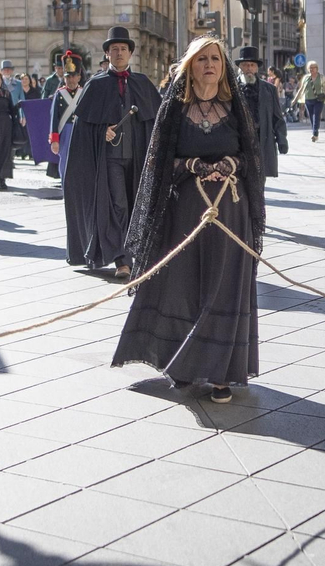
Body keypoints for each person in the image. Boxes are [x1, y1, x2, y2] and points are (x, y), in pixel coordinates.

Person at [113, 36, 266, 401]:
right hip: (185, 212)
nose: (209, 64)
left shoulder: (236, 108)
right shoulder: (174, 110)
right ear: (189, 67)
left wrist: (232, 163)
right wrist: (192, 165)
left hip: (230, 211)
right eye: (201, 59)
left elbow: (253, 159)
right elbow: (157, 162)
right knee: (182, 287)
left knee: (223, 288)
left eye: (215, 58)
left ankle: (221, 375)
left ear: (223, 66)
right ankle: (182, 364)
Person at [64, 26, 161, 278]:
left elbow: (158, 121)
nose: (119, 53)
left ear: (130, 53)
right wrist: (101, 132)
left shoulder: (142, 83)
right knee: (119, 204)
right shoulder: (95, 86)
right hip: (110, 160)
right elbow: (82, 129)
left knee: (137, 204)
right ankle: (122, 260)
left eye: (123, 49)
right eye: (114, 49)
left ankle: (138, 253)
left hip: (138, 158)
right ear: (107, 54)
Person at [236, 45, 288, 177]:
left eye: (252, 65)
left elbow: (277, 117)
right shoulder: (232, 89)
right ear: (240, 67)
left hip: (262, 140)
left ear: (256, 68)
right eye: (245, 65)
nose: (249, 68)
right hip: (238, 142)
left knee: (259, 180)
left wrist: (282, 140)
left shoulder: (269, 89)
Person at [49, 50, 84, 182]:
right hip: (65, 132)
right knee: (65, 163)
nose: (71, 79)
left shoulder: (84, 92)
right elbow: (54, 118)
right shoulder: (59, 94)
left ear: (79, 77)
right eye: (68, 77)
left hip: (81, 132)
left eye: (74, 76)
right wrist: (54, 140)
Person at [294, 60, 325, 142]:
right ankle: (315, 132)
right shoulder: (306, 78)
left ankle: (315, 134)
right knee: (311, 116)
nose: (311, 69)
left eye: (313, 68)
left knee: (316, 115)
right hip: (308, 100)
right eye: (310, 68)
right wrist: (295, 99)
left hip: (319, 100)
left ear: (317, 68)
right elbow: (301, 89)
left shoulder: (321, 77)